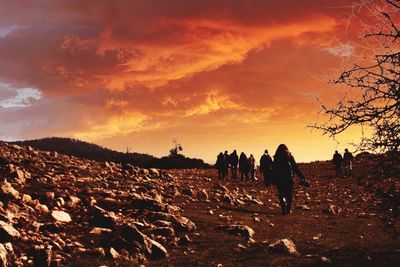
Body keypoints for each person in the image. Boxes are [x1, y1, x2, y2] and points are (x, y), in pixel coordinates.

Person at [273, 144, 310, 215]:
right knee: (289, 195)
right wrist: (302, 176)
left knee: (281, 194)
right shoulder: (289, 156)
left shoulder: (276, 157)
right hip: (289, 179)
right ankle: (288, 210)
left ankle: (284, 208)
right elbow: (295, 168)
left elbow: (274, 169)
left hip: (279, 179)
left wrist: (273, 179)